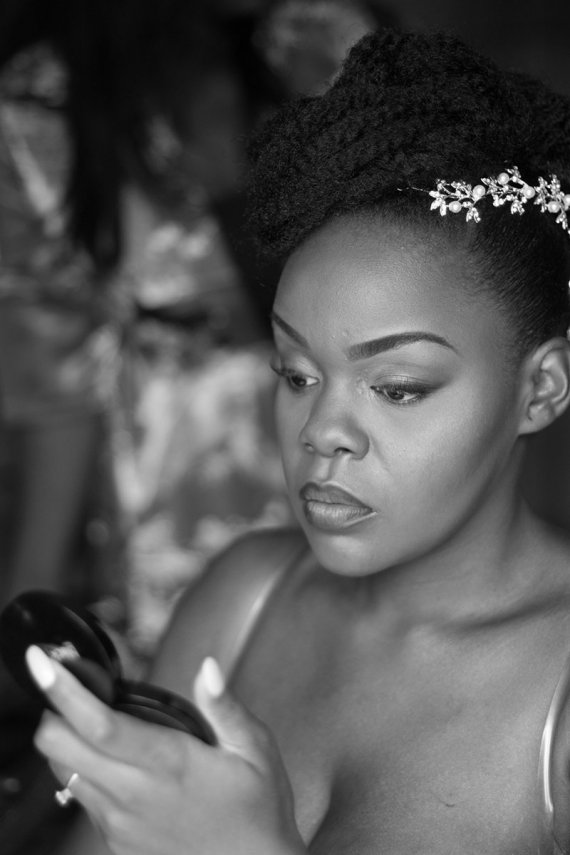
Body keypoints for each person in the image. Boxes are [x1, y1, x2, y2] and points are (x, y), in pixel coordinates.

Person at [23, 27, 570, 855]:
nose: (323, 434)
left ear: (542, 388)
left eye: (396, 388)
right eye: (295, 373)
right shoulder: (246, 596)